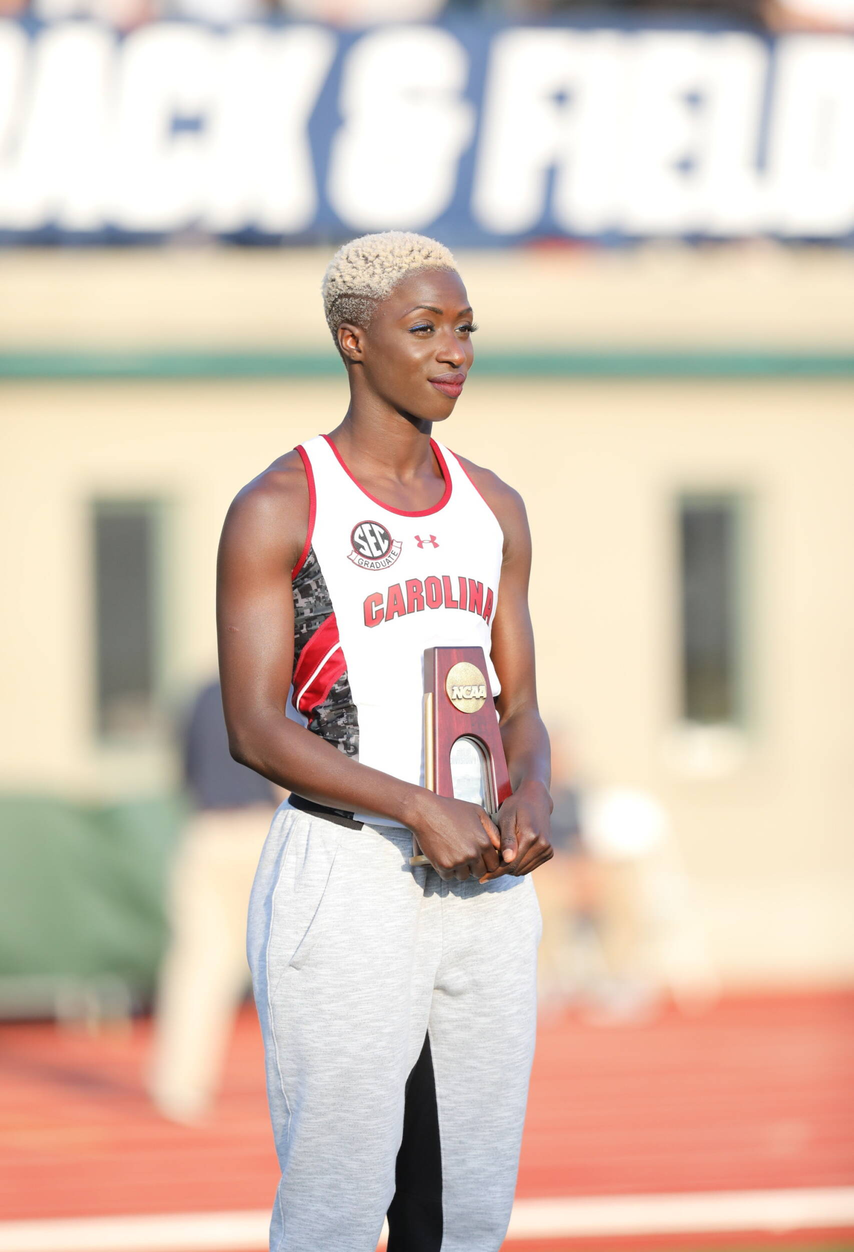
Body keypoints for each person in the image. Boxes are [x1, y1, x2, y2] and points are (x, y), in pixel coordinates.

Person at [217, 230, 553, 1252]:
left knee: (464, 1212)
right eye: (424, 327)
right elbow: (253, 728)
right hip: (348, 867)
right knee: (334, 1205)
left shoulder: (493, 505)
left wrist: (535, 792)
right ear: (353, 339)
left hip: (486, 883)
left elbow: (521, 706)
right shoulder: (281, 504)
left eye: (465, 328)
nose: (453, 350)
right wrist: (413, 804)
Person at [148, 677, 277, 1123]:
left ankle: (180, 1087)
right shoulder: (283, 686)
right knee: (293, 963)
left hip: (206, 831)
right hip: (265, 831)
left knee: (199, 964)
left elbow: (183, 770)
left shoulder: (201, 694)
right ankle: (319, 1088)